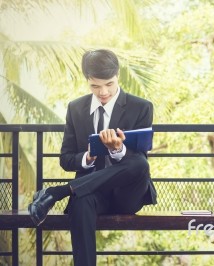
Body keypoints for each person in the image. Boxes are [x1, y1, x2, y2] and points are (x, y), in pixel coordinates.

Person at [28, 49, 157, 266]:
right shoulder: (76, 108)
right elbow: (66, 159)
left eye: (109, 84)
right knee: (80, 202)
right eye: (95, 86)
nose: (103, 92)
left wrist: (118, 150)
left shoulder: (141, 107)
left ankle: (59, 191)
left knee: (140, 163)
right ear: (87, 80)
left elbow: (139, 159)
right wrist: (88, 156)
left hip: (127, 195)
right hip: (91, 194)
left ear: (118, 76)